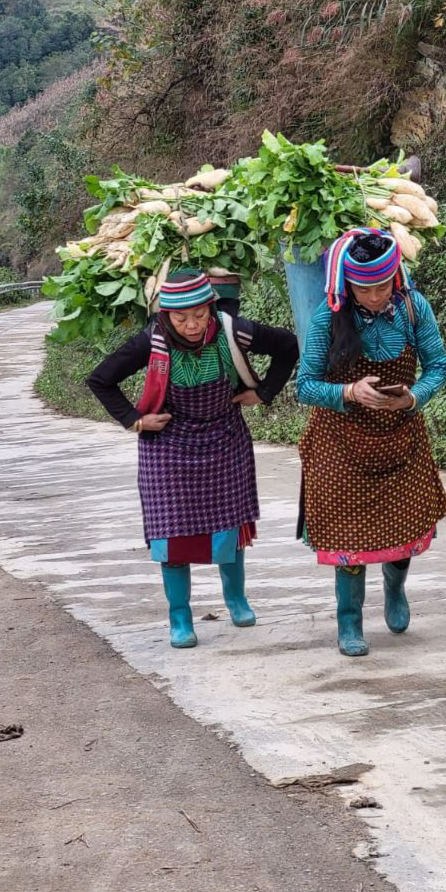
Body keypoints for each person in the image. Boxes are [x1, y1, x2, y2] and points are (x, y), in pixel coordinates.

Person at [87, 268, 298, 648]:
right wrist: (135, 420)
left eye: (199, 315)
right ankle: (179, 617)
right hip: (168, 446)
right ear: (165, 316)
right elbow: (100, 379)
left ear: (211, 307)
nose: (191, 325)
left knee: (229, 526)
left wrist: (264, 393)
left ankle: (237, 600)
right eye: (181, 318)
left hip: (224, 439)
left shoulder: (233, 330)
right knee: (172, 534)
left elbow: (288, 345)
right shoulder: (151, 341)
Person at [297, 228, 446, 656]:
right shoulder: (328, 317)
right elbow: (305, 386)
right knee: (349, 542)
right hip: (340, 444)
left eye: (384, 285)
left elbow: (438, 367)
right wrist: (348, 392)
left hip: (400, 438)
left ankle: (395, 585)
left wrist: (413, 397)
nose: (376, 295)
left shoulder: (414, 309)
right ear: (347, 284)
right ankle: (349, 623)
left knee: (404, 528)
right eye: (365, 288)